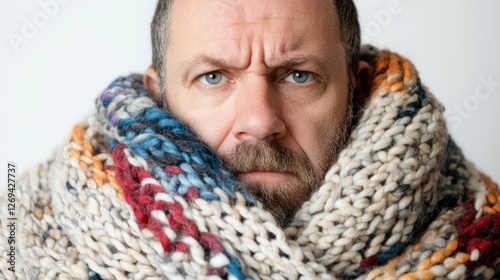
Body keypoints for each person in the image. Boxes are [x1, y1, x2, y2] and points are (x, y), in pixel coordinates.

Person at [1, 0, 499, 279]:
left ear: (357, 90)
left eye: (298, 75)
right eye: (215, 77)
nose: (260, 121)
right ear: (158, 98)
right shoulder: (16, 241)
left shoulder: (487, 240)